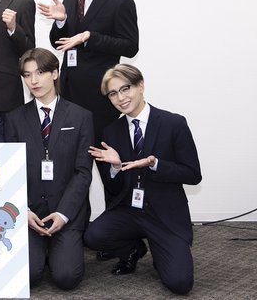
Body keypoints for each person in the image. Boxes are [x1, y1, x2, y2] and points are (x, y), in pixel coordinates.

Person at [85, 64, 202, 295]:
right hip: (130, 211)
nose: (120, 98)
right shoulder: (111, 131)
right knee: (93, 237)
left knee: (180, 284)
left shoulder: (173, 123)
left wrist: (156, 164)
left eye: (125, 88)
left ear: (141, 86)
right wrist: (116, 167)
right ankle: (133, 249)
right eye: (113, 93)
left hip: (165, 215)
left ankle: (162, 251)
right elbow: (114, 188)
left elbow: (193, 174)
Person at [4, 48, 93, 290]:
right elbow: (10, 173)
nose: (33, 80)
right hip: (30, 213)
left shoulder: (81, 116)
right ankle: (40, 251)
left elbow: (83, 172)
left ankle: (56, 248)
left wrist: (63, 214)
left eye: (40, 72)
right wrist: (23, 210)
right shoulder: (14, 119)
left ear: (55, 73)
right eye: (27, 75)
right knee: (27, 276)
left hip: (66, 211)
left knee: (67, 277)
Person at [38, 0, 138, 144]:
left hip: (100, 95)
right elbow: (59, 43)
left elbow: (130, 46)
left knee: (102, 155)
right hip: (68, 93)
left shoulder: (120, 1)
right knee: (69, 156)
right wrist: (61, 21)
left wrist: (91, 37)